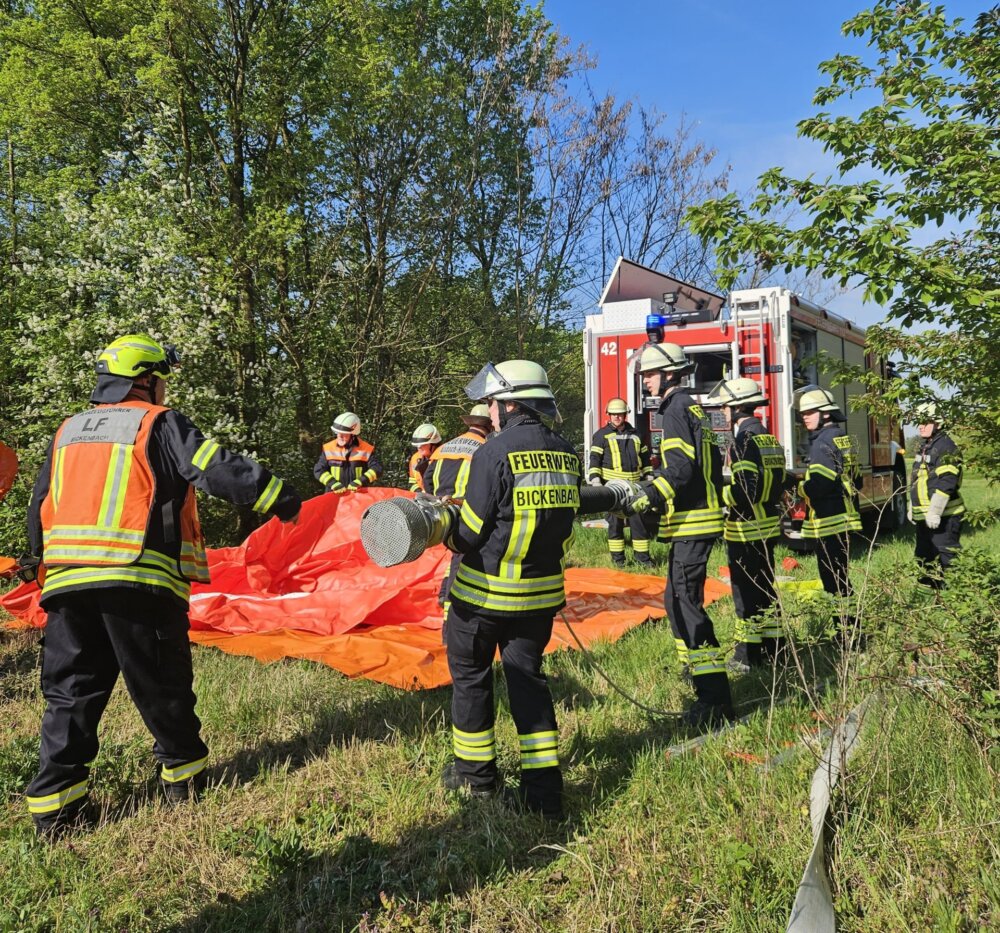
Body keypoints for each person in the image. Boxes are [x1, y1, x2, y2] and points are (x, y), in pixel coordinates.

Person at [25, 335, 301, 837]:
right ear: (146, 379)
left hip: (66, 582)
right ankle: (184, 780)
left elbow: (41, 500)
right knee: (161, 684)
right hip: (136, 577)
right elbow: (212, 467)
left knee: (70, 693)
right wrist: (278, 496)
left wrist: (36, 559)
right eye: (161, 381)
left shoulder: (67, 431)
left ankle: (55, 810)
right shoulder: (156, 422)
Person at [440, 361, 580, 820]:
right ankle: (543, 793)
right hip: (539, 600)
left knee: (471, 678)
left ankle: (476, 779)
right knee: (528, 683)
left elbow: (469, 534)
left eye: (493, 403)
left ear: (510, 403)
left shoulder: (493, 452)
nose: (490, 411)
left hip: (484, 598)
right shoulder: (565, 452)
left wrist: (444, 530)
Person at [629, 343, 731, 727]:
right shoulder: (693, 407)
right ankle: (696, 673)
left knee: (688, 606)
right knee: (674, 601)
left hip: (693, 521)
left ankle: (715, 699)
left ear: (670, 373)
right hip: (693, 521)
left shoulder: (674, 409)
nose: (647, 382)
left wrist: (649, 495)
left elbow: (682, 469)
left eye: (651, 374)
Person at [707, 378, 787, 672]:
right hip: (768, 526)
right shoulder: (769, 438)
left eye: (726, 406)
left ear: (737, 407)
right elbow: (778, 482)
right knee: (766, 590)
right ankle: (777, 651)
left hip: (745, 528)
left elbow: (745, 491)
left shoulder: (743, 440)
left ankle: (746, 657)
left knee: (745, 594)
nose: (723, 411)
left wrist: (719, 496)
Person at [796, 385, 861, 630]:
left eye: (810, 412)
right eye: (803, 413)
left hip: (829, 519)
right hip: (844, 516)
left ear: (826, 413)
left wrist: (800, 488)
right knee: (841, 577)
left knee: (833, 580)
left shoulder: (823, 442)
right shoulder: (842, 437)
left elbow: (820, 485)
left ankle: (847, 631)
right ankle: (851, 628)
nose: (804, 417)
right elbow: (856, 480)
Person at [425, 405, 493, 628]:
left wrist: (439, 500)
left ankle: (444, 594)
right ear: (489, 425)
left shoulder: (445, 447)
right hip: (466, 512)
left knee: (454, 557)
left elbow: (427, 479)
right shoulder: (485, 449)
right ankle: (451, 622)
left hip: (441, 511)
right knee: (462, 562)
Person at [588, 398, 653, 566]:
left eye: (620, 414)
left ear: (625, 415)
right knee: (615, 525)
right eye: (614, 414)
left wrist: (649, 476)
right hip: (613, 489)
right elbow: (594, 459)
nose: (617, 417)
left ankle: (643, 560)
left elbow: (645, 458)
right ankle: (618, 560)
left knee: (639, 524)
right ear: (608, 415)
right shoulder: (601, 435)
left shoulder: (636, 434)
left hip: (635, 487)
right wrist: (596, 481)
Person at [909, 402, 964, 589]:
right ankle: (930, 598)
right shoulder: (925, 446)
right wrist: (912, 506)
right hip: (925, 517)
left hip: (945, 516)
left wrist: (935, 511)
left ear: (938, 423)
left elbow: (947, 482)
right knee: (924, 558)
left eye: (925, 422)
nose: (920, 426)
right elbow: (918, 479)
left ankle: (957, 597)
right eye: (919, 422)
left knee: (948, 560)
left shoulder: (946, 446)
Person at [313, 412, 382, 494]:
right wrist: (333, 483)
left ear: (353, 435)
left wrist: (361, 481)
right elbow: (318, 470)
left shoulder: (366, 449)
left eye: (344, 434)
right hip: (335, 496)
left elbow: (377, 469)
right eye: (338, 432)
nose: (340, 436)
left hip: (358, 496)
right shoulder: (329, 448)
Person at [407, 423, 442, 492]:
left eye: (422, 445)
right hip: (422, 497)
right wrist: (419, 491)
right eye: (417, 445)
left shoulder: (444, 458)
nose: (419, 447)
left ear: (433, 444)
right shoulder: (415, 458)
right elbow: (412, 482)